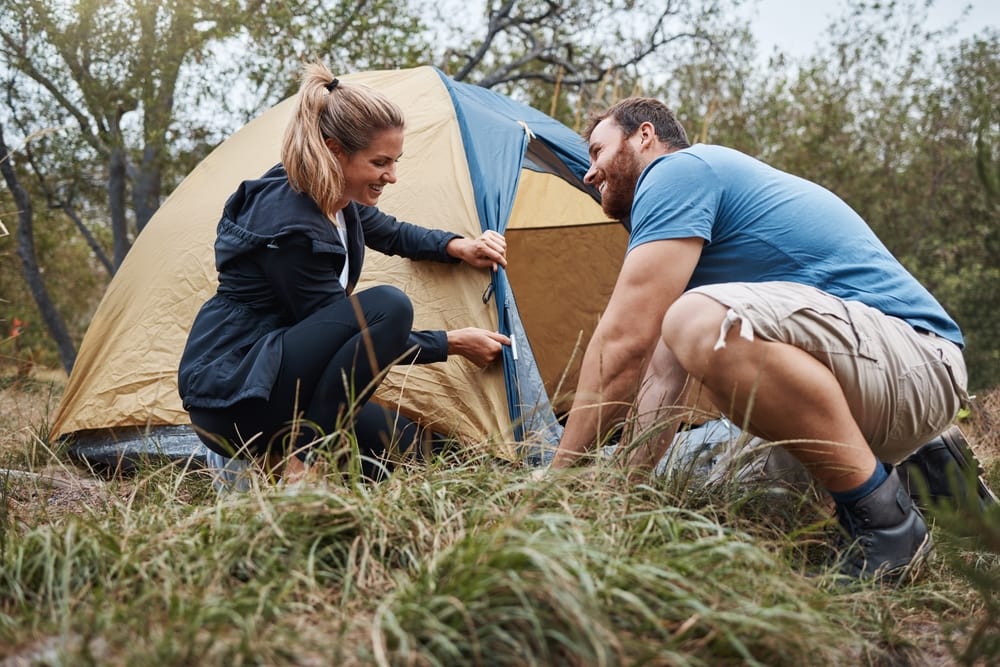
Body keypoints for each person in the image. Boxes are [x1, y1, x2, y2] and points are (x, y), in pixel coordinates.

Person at [547, 96, 975, 580]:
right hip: (881, 384)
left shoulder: (675, 172)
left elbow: (624, 343)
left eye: (598, 151)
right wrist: (615, 501)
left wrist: (556, 483)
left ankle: (890, 527)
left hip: (915, 360)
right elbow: (661, 384)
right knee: (742, 502)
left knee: (696, 320)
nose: (589, 173)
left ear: (644, 136)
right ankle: (926, 466)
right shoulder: (698, 252)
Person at [178, 61, 510, 481]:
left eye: (395, 160)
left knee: (405, 443)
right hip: (236, 395)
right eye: (380, 163)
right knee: (389, 306)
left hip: (283, 382)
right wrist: (452, 343)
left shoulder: (333, 197)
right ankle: (303, 461)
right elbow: (358, 335)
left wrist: (458, 246)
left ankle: (311, 458)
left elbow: (390, 232)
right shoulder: (292, 229)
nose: (392, 175)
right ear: (335, 151)